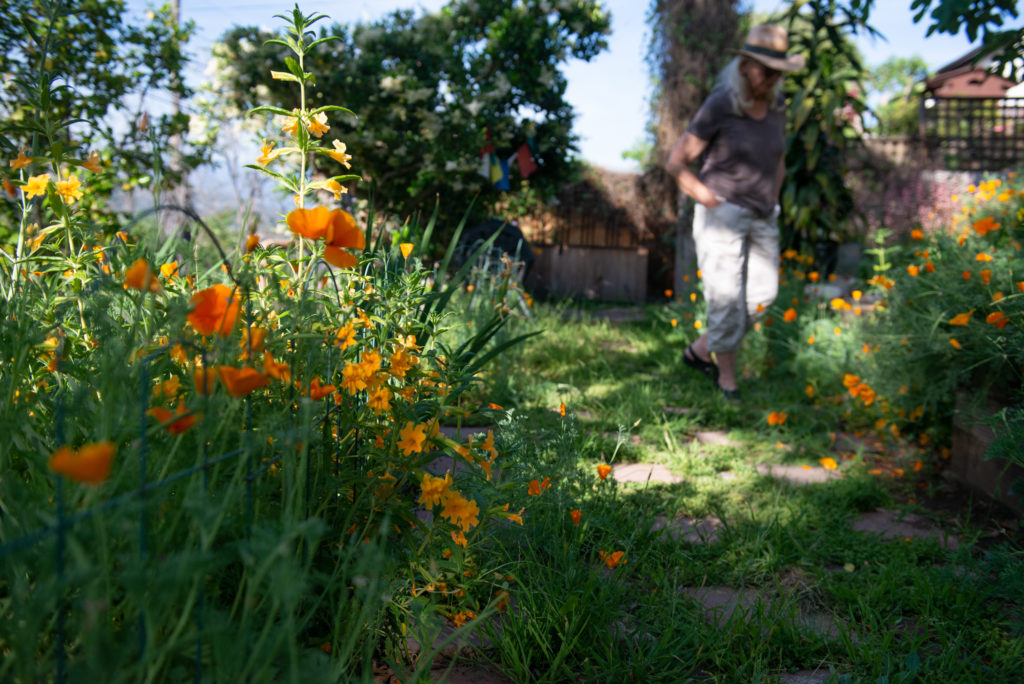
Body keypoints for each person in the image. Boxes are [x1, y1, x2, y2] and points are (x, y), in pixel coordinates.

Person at [665, 24, 805, 400]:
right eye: (765, 70)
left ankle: (698, 351)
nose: (772, 78)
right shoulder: (722, 103)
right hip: (723, 215)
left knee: (763, 296)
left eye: (778, 72)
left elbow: (778, 158)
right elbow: (677, 161)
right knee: (726, 298)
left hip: (763, 214)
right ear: (744, 66)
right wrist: (705, 196)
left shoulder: (777, 106)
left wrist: (773, 198)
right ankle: (727, 380)